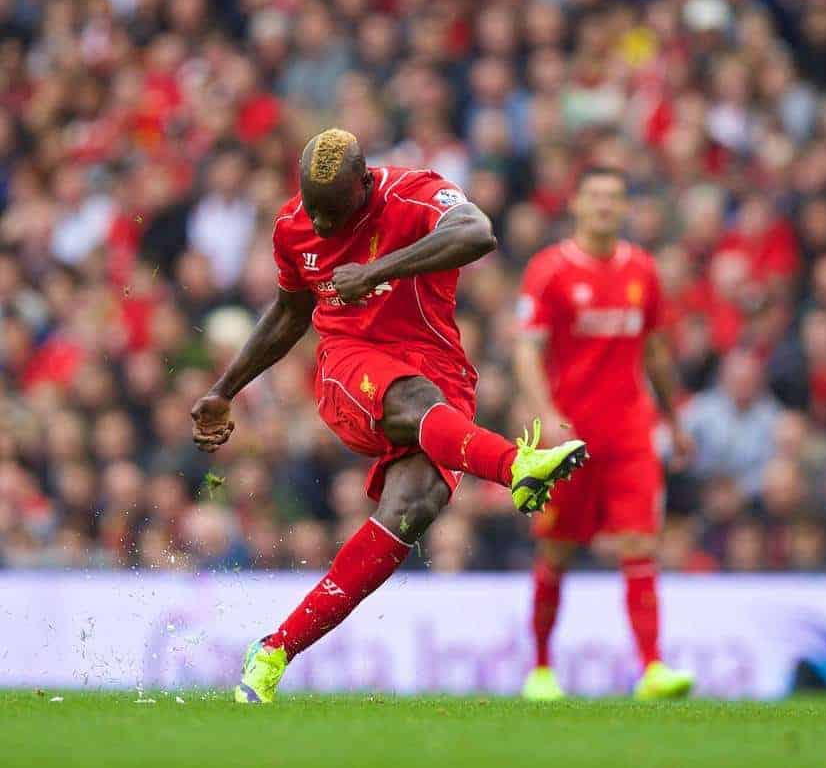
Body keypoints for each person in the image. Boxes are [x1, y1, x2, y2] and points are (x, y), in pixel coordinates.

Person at [190, 129, 589, 703]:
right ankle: (514, 466)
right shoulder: (292, 227)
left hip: (437, 367)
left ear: (365, 182)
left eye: (333, 211)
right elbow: (288, 313)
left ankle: (274, 651)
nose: (322, 225)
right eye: (312, 208)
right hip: (348, 365)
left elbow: (477, 232)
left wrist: (379, 271)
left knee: (411, 511)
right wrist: (225, 389)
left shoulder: (413, 192)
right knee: (413, 400)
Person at [513, 167, 694, 700]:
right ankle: (541, 669)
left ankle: (653, 668)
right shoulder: (550, 271)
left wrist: (675, 421)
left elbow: (655, 350)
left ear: (625, 207)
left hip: (631, 432)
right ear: (576, 204)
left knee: (640, 542)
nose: (604, 206)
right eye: (594, 196)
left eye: (614, 198)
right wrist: (544, 414)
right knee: (557, 552)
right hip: (570, 438)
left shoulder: (643, 270)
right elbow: (527, 349)